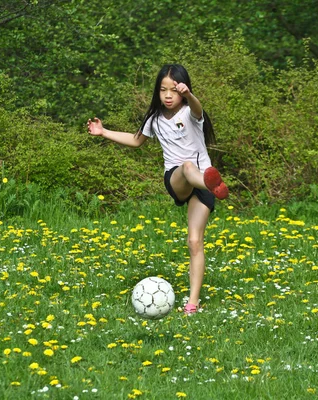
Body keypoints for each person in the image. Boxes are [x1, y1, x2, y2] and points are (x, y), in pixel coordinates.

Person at [87, 64, 228, 315]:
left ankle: (192, 305)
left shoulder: (190, 113)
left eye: (174, 90)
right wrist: (103, 131)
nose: (168, 95)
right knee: (186, 166)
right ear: (157, 92)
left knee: (195, 241)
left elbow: (198, 108)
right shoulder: (154, 119)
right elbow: (135, 140)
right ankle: (208, 181)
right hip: (178, 179)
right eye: (163, 90)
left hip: (203, 181)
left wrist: (190, 95)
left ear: (183, 91)